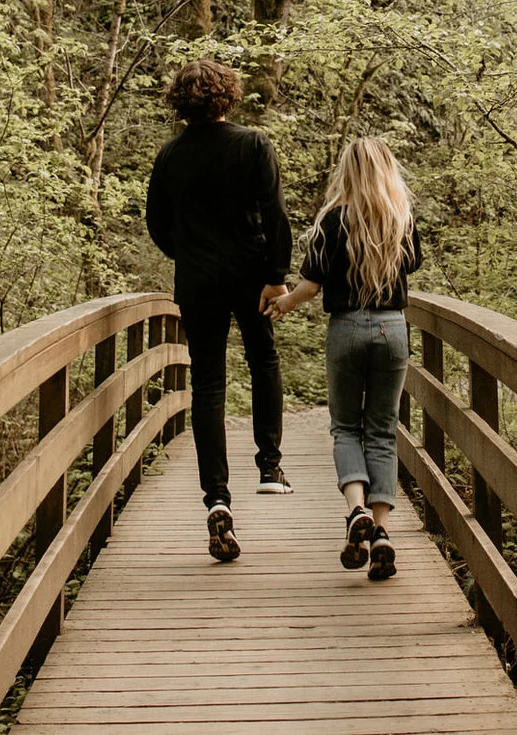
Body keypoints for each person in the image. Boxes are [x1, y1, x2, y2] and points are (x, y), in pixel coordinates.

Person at [145, 59, 293, 563]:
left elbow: (158, 224)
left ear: (179, 101)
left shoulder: (170, 157)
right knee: (263, 361)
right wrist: (276, 276)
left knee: (208, 384)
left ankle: (217, 498)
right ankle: (270, 469)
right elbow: (275, 215)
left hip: (198, 280)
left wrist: (188, 256)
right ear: (228, 96)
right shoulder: (253, 144)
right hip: (252, 274)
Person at [267, 136, 422, 582]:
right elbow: (410, 268)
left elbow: (311, 286)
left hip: (347, 328)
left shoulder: (332, 221)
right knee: (382, 431)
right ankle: (382, 534)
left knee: (345, 427)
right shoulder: (402, 221)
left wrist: (283, 304)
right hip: (392, 328)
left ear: (346, 171)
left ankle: (356, 511)